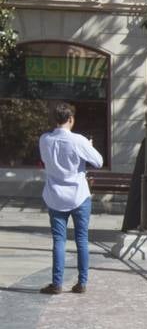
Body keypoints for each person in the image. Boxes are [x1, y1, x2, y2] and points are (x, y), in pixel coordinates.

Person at [39, 102, 103, 295]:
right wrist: (88, 148)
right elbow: (98, 162)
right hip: (79, 195)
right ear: (71, 119)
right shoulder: (79, 140)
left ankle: (56, 283)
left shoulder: (44, 139)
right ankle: (81, 282)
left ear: (54, 119)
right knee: (82, 239)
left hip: (55, 195)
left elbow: (45, 160)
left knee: (59, 240)